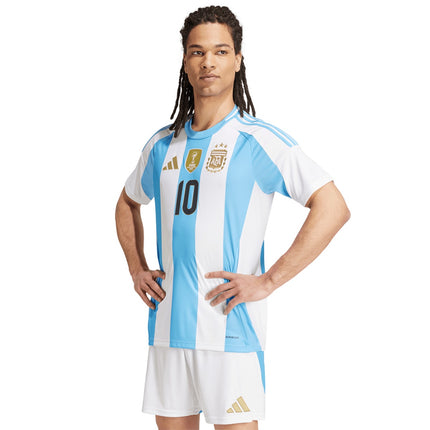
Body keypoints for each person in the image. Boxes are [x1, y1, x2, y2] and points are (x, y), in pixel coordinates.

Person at [115, 5, 350, 430]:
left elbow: (333, 206)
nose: (209, 62)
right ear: (185, 62)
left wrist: (269, 280)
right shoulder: (162, 145)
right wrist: (136, 267)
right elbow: (128, 202)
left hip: (230, 330)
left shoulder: (258, 140)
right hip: (167, 329)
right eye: (197, 52)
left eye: (221, 51)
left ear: (238, 60)